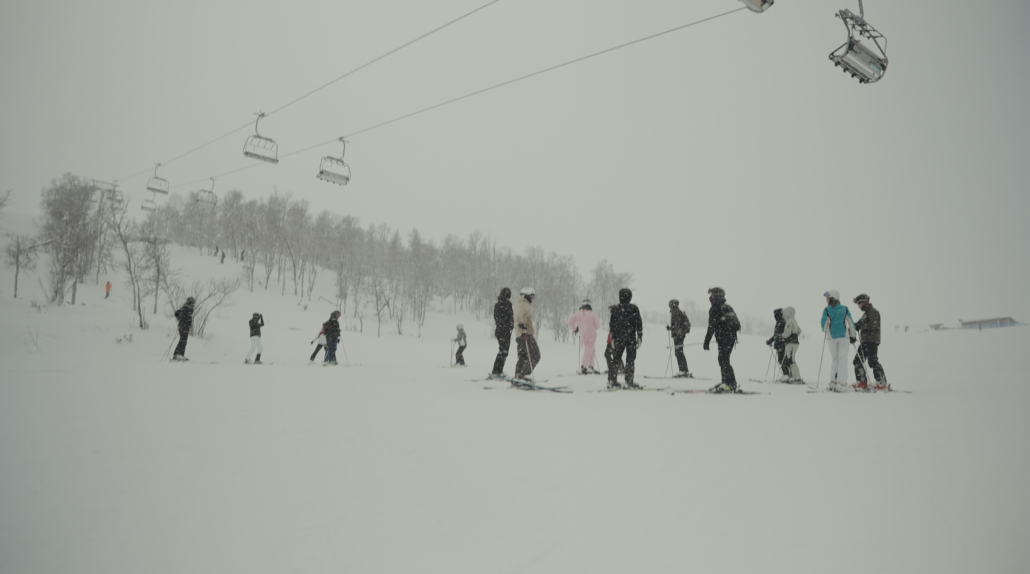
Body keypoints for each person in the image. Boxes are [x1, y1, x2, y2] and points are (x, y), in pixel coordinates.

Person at [703, 287, 741, 393]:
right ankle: (727, 382)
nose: (710, 297)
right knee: (724, 359)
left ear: (716, 296)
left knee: (723, 360)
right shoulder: (728, 307)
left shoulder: (715, 308)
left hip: (724, 338)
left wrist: (706, 341)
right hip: (730, 338)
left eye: (712, 295)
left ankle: (730, 383)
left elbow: (711, 327)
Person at [820, 290, 857, 392]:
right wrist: (853, 336)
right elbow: (851, 323)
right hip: (843, 337)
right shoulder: (844, 309)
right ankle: (841, 383)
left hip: (831, 338)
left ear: (831, 298)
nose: (826, 299)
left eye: (827, 297)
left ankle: (833, 382)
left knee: (835, 359)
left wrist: (828, 327)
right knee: (843, 359)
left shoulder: (826, 310)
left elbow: (823, 327)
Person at [607, 288, 643, 389]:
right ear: (630, 297)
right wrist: (639, 336)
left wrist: (613, 337)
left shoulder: (616, 309)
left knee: (616, 359)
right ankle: (629, 381)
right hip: (630, 338)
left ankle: (611, 380)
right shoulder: (634, 308)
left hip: (619, 338)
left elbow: (612, 325)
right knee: (630, 360)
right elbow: (639, 324)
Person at [852, 294, 887, 390]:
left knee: (872, 362)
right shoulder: (866, 314)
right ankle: (862, 382)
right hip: (865, 341)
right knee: (857, 361)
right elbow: (859, 323)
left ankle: (881, 383)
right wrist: (852, 326)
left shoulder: (873, 312)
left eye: (859, 304)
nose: (859, 307)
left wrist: (861, 327)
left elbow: (873, 326)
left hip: (871, 341)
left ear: (864, 302)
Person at [513, 287, 541, 381]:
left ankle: (518, 374)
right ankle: (523, 374)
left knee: (523, 356)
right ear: (526, 296)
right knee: (535, 355)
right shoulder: (524, 304)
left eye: (534, 296)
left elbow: (518, 314)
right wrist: (521, 324)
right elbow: (518, 315)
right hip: (525, 334)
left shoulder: (521, 304)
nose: (532, 299)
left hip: (519, 335)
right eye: (532, 296)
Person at [568, 299, 601, 374]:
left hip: (583, 334)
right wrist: (590, 328)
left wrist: (575, 329)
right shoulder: (592, 314)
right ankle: (584, 367)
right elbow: (597, 326)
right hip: (591, 334)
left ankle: (590, 366)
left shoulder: (578, 313)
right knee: (589, 350)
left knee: (591, 349)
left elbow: (569, 322)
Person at [491, 287, 514, 378]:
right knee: (504, 351)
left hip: (499, 330)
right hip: (505, 330)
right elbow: (510, 316)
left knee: (502, 350)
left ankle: (497, 371)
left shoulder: (497, 304)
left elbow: (497, 318)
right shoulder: (507, 304)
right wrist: (510, 324)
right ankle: (497, 371)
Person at [668, 299, 692, 377]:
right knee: (679, 352)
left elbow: (677, 324)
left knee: (678, 352)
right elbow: (677, 324)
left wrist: (676, 333)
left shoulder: (675, 312)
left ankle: (683, 371)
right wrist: (671, 328)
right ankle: (684, 371)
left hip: (679, 336)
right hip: (680, 335)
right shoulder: (678, 311)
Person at [780, 306, 802, 383]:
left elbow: (787, 333)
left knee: (791, 360)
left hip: (791, 343)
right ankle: (793, 376)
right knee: (791, 359)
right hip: (795, 343)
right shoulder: (794, 321)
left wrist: (782, 336)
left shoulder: (789, 321)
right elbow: (799, 330)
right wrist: (795, 335)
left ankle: (796, 377)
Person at [766, 308, 788, 381]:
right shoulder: (780, 322)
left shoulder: (781, 322)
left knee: (782, 360)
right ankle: (786, 375)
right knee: (782, 360)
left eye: (776, 315)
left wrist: (770, 340)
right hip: (780, 343)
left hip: (781, 344)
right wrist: (771, 340)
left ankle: (786, 375)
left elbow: (777, 335)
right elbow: (776, 335)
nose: (775, 316)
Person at [172, 297, 195, 361]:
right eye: (193, 303)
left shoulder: (185, 307)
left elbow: (176, 313)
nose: (194, 304)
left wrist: (180, 320)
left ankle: (178, 355)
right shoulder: (188, 308)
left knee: (182, 341)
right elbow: (185, 318)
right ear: (191, 302)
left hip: (182, 326)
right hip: (184, 327)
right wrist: (183, 322)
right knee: (183, 341)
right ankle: (178, 355)